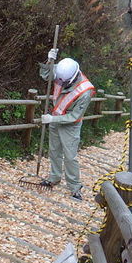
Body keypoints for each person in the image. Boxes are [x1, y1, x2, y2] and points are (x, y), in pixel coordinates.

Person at [40, 52, 95, 200]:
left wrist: (52, 119)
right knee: (54, 150)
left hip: (70, 125)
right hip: (55, 117)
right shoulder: (61, 71)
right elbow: (46, 75)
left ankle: (75, 187)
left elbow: (75, 116)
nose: (61, 84)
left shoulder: (86, 91)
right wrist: (49, 60)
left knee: (70, 156)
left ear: (73, 78)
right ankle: (54, 177)